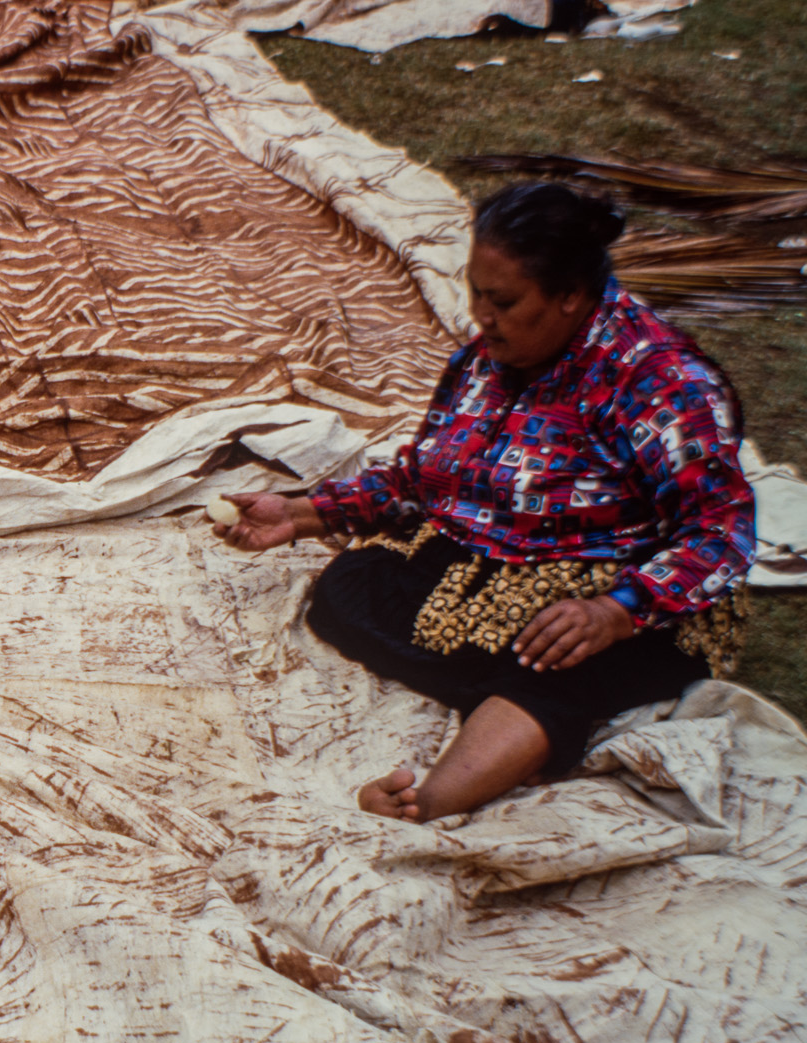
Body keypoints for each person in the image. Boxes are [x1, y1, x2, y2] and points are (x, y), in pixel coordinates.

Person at [213, 182, 754, 823]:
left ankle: (430, 796)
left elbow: (721, 530)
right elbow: (428, 478)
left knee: (553, 665)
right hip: (501, 562)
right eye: (475, 293)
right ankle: (509, 700)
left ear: (571, 296)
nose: (481, 318)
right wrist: (305, 514)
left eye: (502, 301)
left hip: (619, 588)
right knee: (347, 592)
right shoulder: (488, 360)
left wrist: (614, 612)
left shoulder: (661, 383)